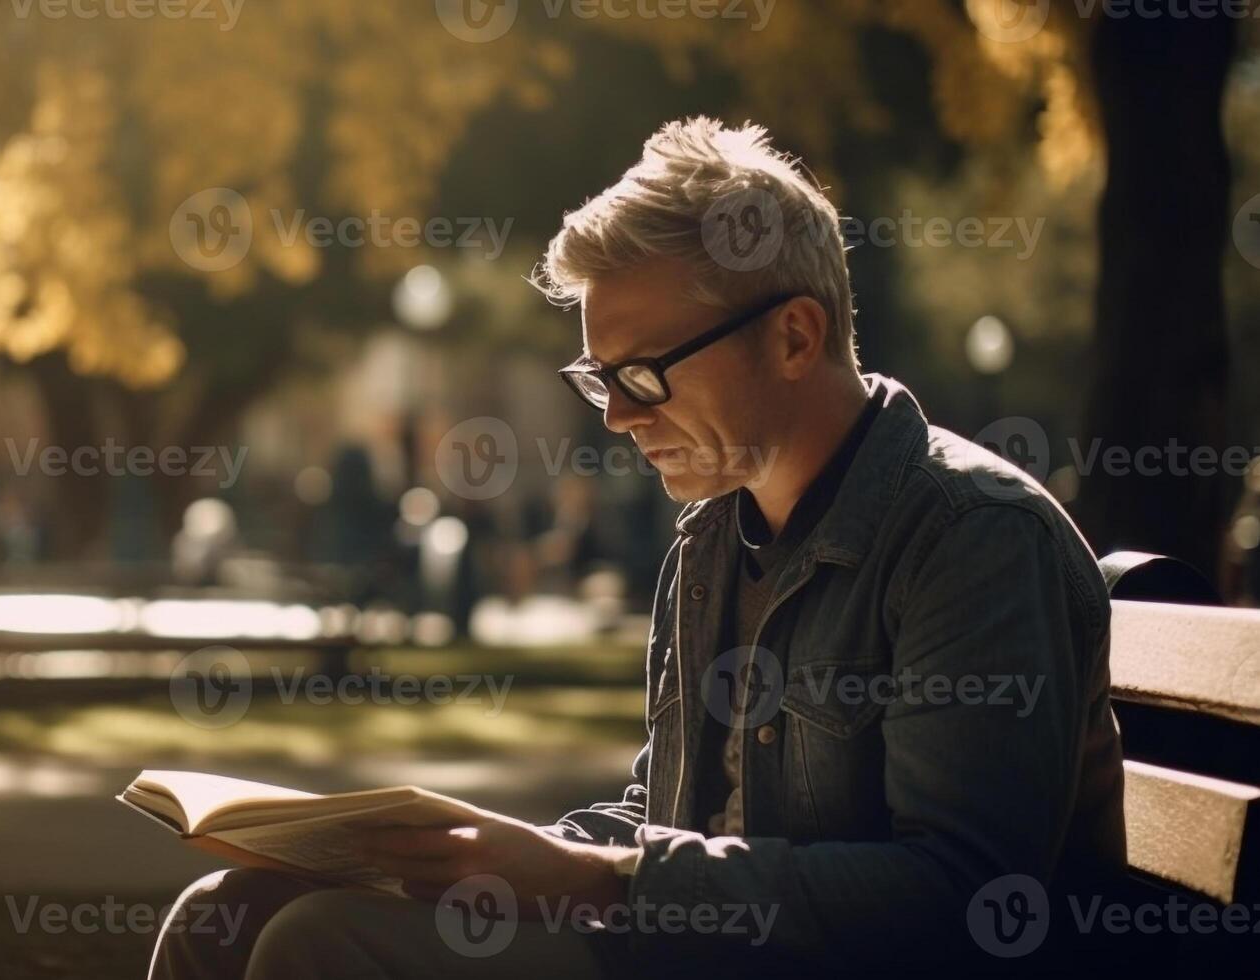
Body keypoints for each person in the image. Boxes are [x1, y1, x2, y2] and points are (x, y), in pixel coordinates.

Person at [148, 116, 1125, 979]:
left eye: (644, 373)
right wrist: (480, 851)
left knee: (319, 947)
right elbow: (671, 817)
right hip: (690, 947)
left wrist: (592, 876)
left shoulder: (971, 538)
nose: (615, 415)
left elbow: (958, 898)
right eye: (597, 375)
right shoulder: (710, 538)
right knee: (228, 916)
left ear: (792, 336)